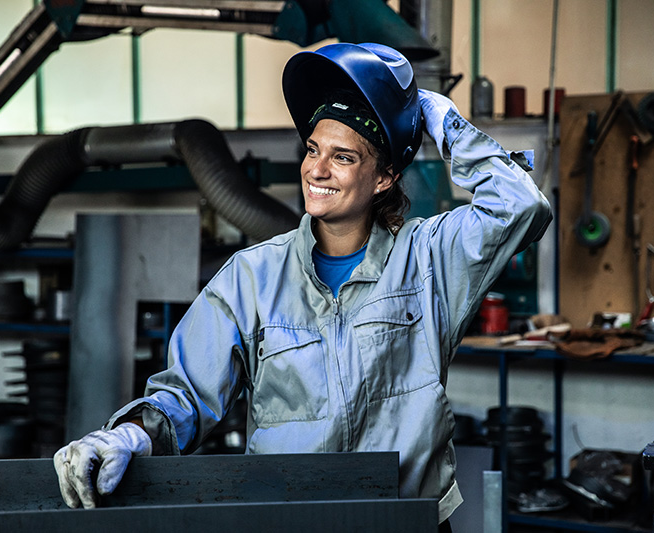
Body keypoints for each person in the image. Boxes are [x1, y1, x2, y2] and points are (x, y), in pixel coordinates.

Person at [54, 42, 552, 528]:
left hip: (404, 520)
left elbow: (521, 206)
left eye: (343, 157)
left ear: (384, 177)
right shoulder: (252, 278)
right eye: (313, 149)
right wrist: (127, 436)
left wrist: (442, 122)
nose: (316, 169)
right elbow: (185, 394)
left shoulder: (428, 260)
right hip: (288, 520)